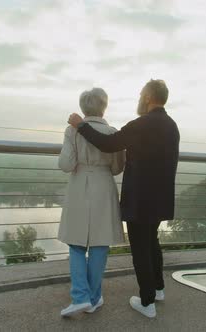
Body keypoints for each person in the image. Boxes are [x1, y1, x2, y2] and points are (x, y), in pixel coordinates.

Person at [67, 79, 179, 318]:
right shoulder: (172, 125)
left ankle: (147, 302)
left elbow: (108, 144)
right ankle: (158, 288)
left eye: (141, 94)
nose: (139, 97)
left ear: (148, 97)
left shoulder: (141, 124)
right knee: (151, 242)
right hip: (161, 198)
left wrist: (80, 125)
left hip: (140, 199)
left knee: (140, 248)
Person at [58, 87, 125, 317]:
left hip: (79, 186)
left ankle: (80, 297)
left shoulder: (72, 130)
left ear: (82, 107)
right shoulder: (113, 132)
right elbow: (117, 168)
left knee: (76, 243)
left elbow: (66, 164)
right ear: (103, 106)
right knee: (100, 243)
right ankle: (93, 298)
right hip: (104, 185)